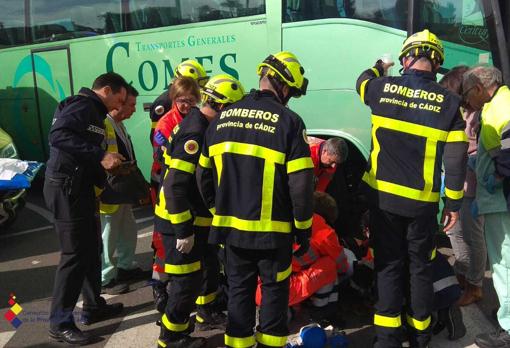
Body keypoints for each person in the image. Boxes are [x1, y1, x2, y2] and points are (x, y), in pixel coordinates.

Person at [355, 29, 468, 347]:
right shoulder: (450, 102)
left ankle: (388, 337)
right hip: (422, 204)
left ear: (406, 58)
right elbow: (457, 159)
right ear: (437, 64)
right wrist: (453, 204)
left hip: (383, 200)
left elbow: (361, 80)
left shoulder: (379, 87)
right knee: (420, 266)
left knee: (388, 264)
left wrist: (380, 65)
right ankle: (420, 333)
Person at [197, 51, 313, 348]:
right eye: (291, 93)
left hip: (231, 232)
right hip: (273, 234)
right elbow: (300, 184)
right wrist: (303, 227)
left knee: (239, 291)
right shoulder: (288, 121)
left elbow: (202, 175)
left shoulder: (221, 119)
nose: (290, 99)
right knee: (274, 294)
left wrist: (216, 209)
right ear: (284, 86)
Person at [155, 74, 245, 348]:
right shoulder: (195, 132)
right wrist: (183, 231)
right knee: (186, 282)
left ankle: (205, 314)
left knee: (205, 269)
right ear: (221, 107)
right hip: (180, 221)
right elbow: (174, 186)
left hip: (197, 219)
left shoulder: (201, 124)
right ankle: (171, 337)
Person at [44, 72, 129, 345]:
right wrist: (101, 156)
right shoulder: (81, 106)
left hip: (80, 189)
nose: (121, 103)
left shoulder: (95, 112)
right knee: (74, 255)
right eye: (120, 97)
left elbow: (83, 151)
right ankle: (60, 322)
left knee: (90, 248)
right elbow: (58, 136)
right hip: (66, 189)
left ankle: (93, 305)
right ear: (106, 90)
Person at [462, 65, 510, 348]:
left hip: (502, 199)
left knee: (504, 263)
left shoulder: (497, 109)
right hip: (500, 199)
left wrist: (498, 176)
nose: (468, 102)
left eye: (468, 94)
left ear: (480, 87)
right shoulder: (503, 100)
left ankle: (508, 329)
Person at [255, 192, 350, 326]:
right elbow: (342, 266)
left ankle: (282, 311)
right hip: (284, 288)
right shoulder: (324, 231)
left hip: (259, 287)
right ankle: (322, 313)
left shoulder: (284, 216)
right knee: (329, 265)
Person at [150, 76, 201, 313]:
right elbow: (162, 157)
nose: (185, 105)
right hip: (167, 186)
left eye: (190, 100)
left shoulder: (194, 119)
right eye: (181, 100)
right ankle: (160, 288)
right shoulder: (165, 123)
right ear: (173, 99)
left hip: (185, 189)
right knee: (163, 245)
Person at [438, 66, 486, 306]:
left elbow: (483, 149)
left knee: (472, 234)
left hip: (472, 182)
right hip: (456, 181)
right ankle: (462, 273)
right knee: (454, 231)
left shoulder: (480, 113)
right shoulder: (461, 111)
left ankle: (475, 284)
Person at [99, 85, 145, 295]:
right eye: (131, 104)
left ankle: (126, 266)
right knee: (108, 232)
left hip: (121, 187)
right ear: (119, 104)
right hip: (109, 189)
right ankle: (106, 277)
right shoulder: (105, 123)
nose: (134, 109)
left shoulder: (119, 124)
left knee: (128, 228)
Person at [148, 59, 208, 145]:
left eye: (191, 100)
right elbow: (156, 140)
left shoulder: (199, 114)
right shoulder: (163, 104)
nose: (187, 105)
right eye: (182, 100)